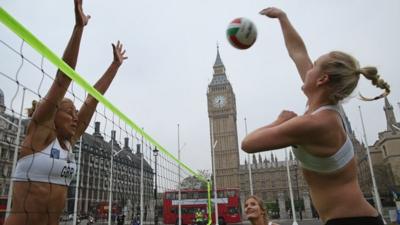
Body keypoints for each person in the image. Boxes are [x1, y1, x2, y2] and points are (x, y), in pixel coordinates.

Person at [241, 7, 390, 225]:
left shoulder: (315, 123)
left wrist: (280, 121)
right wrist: (282, 18)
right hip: (350, 218)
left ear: (322, 80)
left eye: (313, 67)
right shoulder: (327, 108)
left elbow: (248, 143)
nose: (308, 69)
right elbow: (298, 52)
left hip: (351, 221)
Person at [4, 0, 127, 225]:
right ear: (53, 115)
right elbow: (63, 78)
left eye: (76, 113)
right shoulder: (40, 132)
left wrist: (114, 66)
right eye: (70, 112)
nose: (75, 117)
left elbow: (93, 99)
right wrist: (79, 28)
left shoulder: (70, 142)